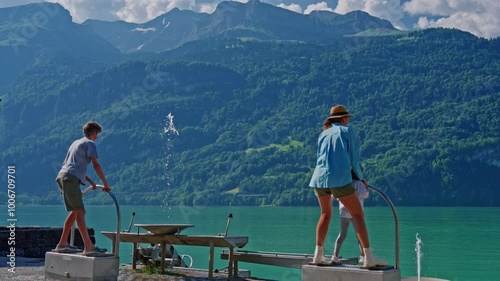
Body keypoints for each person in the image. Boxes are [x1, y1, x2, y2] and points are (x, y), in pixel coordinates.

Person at [309, 105, 386, 268]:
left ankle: (318, 255)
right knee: (357, 215)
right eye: (347, 119)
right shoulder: (347, 131)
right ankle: (368, 256)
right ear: (343, 119)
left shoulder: (323, 134)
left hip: (319, 178)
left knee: (325, 214)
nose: (347, 121)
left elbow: (319, 158)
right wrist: (360, 178)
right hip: (339, 177)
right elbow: (354, 158)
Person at [54, 121, 112, 256]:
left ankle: (62, 244)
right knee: (80, 212)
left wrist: (92, 183)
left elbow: (74, 167)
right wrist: (106, 184)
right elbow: (96, 165)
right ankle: (89, 246)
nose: (97, 137)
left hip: (64, 177)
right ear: (94, 133)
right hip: (70, 179)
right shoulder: (90, 144)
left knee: (76, 211)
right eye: (97, 134)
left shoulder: (76, 143)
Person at [331, 169, 369, 264]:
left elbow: (337, 196)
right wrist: (366, 186)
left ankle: (335, 255)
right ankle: (363, 256)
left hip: (343, 213)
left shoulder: (343, 184)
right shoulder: (359, 183)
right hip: (355, 214)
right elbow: (365, 195)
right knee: (359, 235)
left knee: (342, 235)